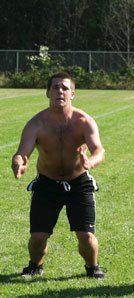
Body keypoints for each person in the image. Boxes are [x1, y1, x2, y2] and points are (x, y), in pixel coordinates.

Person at [11, 72, 106, 278]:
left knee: (86, 236)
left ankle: (92, 267)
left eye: (64, 88)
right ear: (47, 93)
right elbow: (21, 153)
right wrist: (19, 164)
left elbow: (99, 150)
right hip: (46, 184)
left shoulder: (83, 121)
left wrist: (91, 161)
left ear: (72, 93)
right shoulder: (36, 123)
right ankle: (35, 266)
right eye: (55, 87)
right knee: (37, 238)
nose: (60, 91)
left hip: (79, 183)